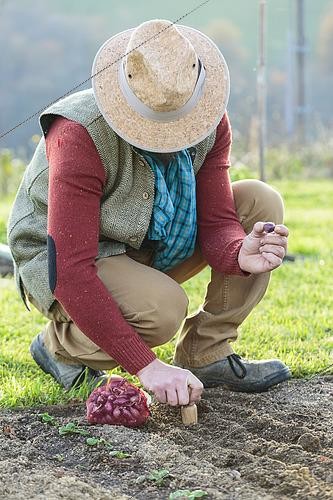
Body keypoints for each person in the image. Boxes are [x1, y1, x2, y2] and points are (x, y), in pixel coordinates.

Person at [8, 19, 290, 407]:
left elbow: (219, 219)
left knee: (261, 200)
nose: (174, 135)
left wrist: (238, 251)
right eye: (158, 126)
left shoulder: (208, 118)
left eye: (181, 122)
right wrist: (147, 367)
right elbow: (71, 270)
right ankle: (60, 346)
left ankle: (206, 353)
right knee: (161, 311)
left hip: (146, 237)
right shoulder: (79, 134)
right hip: (62, 257)